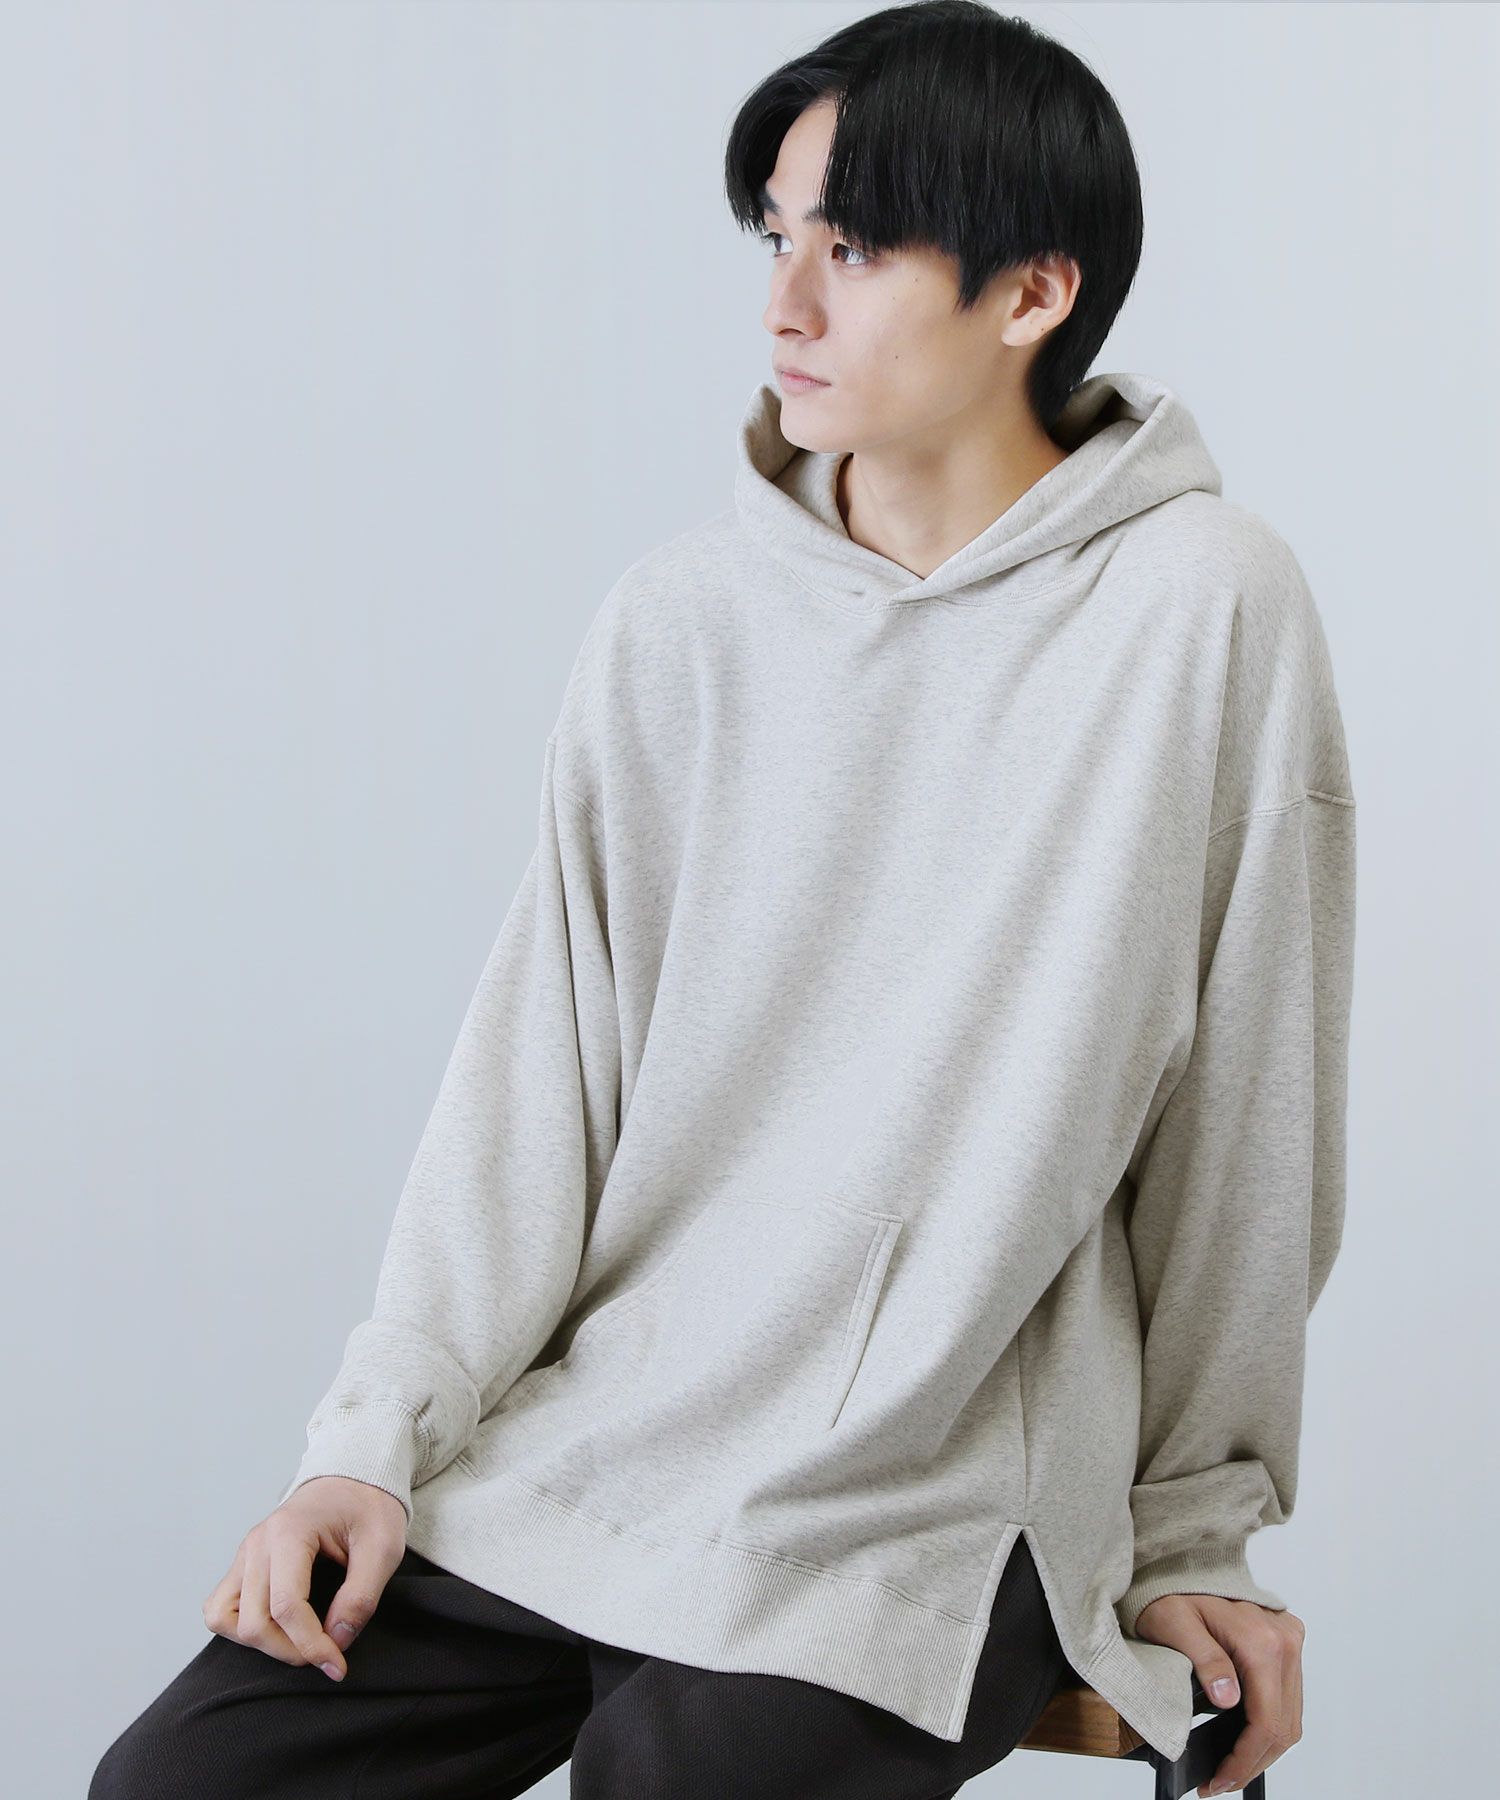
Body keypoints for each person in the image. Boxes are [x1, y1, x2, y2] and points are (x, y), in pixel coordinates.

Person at [90, 3, 1355, 1796]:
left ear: (1032, 294)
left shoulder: (1204, 607)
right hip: (605, 1438)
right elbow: (540, 1082)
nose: (786, 306)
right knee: (182, 1783)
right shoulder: (679, 620)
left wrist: (1195, 1531)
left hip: (937, 1478)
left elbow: (1250, 1118)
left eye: (857, 248)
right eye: (777, 237)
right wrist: (370, 1443)